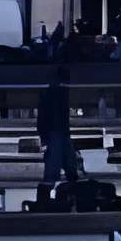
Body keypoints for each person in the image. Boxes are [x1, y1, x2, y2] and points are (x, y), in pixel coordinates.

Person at [37, 55, 76, 206]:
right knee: (64, 157)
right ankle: (70, 182)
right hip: (58, 129)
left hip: (56, 129)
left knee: (59, 158)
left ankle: (65, 183)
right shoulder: (57, 93)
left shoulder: (51, 94)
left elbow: (43, 116)